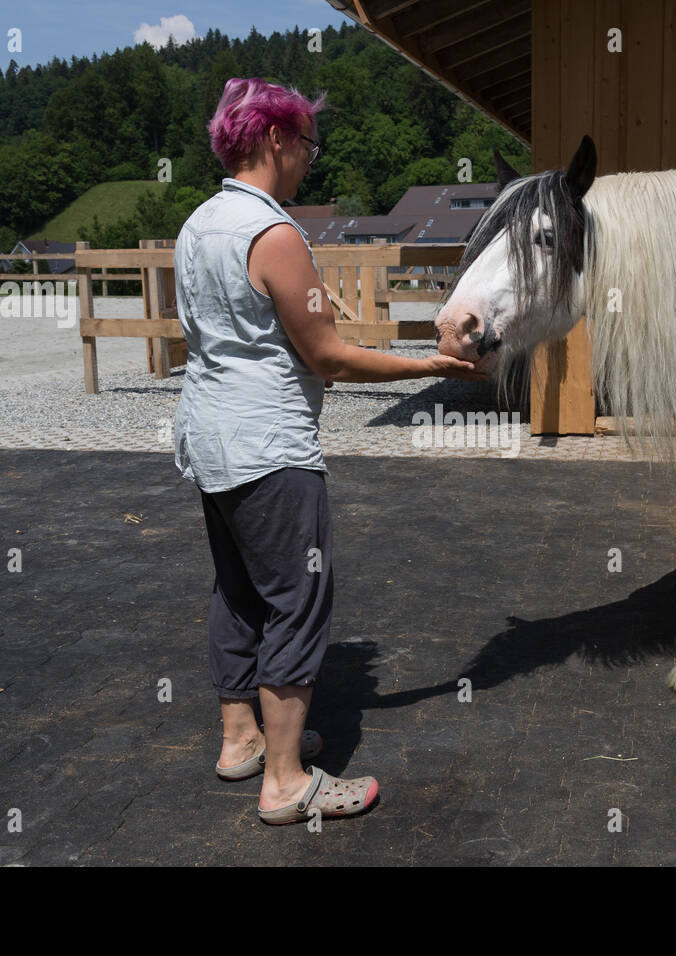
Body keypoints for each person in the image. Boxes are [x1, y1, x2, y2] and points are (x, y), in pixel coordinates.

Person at [172, 78, 484, 825]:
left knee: (238, 591)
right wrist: (429, 368)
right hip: (270, 446)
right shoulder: (274, 234)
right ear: (276, 138)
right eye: (307, 144)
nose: (310, 159)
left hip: (211, 439)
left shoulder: (198, 224)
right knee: (296, 600)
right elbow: (331, 360)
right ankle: (287, 781)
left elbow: (249, 322)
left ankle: (241, 739)